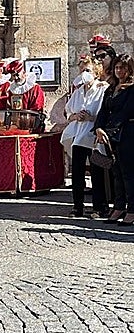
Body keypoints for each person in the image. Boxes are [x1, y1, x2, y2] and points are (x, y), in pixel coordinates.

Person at [61, 56, 109, 218]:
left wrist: (91, 118)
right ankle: (77, 206)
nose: (84, 74)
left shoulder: (103, 89)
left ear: (96, 73)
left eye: (87, 70)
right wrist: (76, 116)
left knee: (96, 172)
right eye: (82, 70)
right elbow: (68, 112)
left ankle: (99, 207)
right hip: (79, 135)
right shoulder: (79, 92)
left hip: (94, 135)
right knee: (77, 172)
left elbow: (106, 112)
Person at [95, 55, 134, 226]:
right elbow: (103, 111)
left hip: (128, 134)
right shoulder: (111, 89)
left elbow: (124, 113)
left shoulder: (132, 89)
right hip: (113, 135)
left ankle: (132, 209)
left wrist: (108, 131)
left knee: (128, 174)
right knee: (116, 173)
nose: (119, 71)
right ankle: (118, 206)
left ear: (130, 69)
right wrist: (98, 128)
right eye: (117, 67)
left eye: (123, 68)